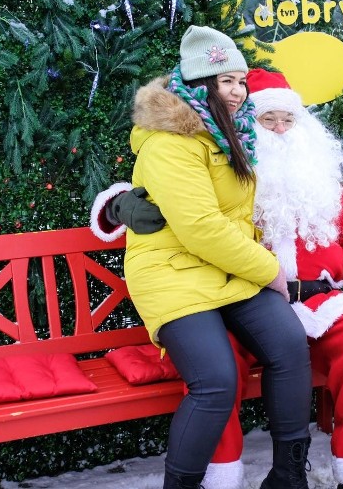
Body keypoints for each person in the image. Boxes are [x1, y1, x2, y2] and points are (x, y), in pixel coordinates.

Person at [93, 69, 343, 489]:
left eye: (289, 120)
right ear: (248, 122)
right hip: (243, 296)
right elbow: (178, 191)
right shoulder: (228, 166)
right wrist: (119, 205)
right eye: (269, 121)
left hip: (322, 304)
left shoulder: (319, 180)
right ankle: (219, 476)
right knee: (217, 364)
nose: (281, 130)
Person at [92, 27, 314, 489]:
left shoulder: (231, 132)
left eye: (240, 80)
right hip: (174, 272)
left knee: (289, 346)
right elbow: (200, 229)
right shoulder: (169, 141)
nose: (237, 91)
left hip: (227, 267)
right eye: (224, 81)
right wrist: (270, 269)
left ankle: (289, 476)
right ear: (199, 85)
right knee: (216, 381)